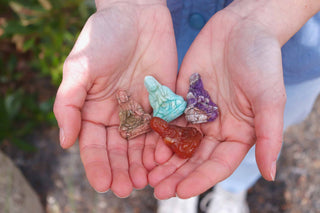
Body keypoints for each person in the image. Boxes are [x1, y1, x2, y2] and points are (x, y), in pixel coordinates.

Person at [53, 0, 320, 212]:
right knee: (236, 137)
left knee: (253, 139)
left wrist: (269, 15)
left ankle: (234, 189)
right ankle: (186, 191)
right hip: (156, 42)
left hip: (288, 51)